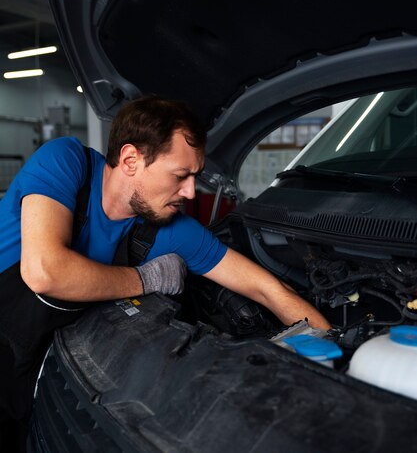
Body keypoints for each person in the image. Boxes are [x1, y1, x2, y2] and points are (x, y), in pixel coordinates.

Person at [0, 95, 330, 451]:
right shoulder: (66, 162)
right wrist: (146, 279)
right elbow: (45, 272)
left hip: (39, 373)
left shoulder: (167, 228)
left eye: (195, 177)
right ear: (130, 160)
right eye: (180, 175)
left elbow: (268, 290)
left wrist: (328, 354)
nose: (190, 191)